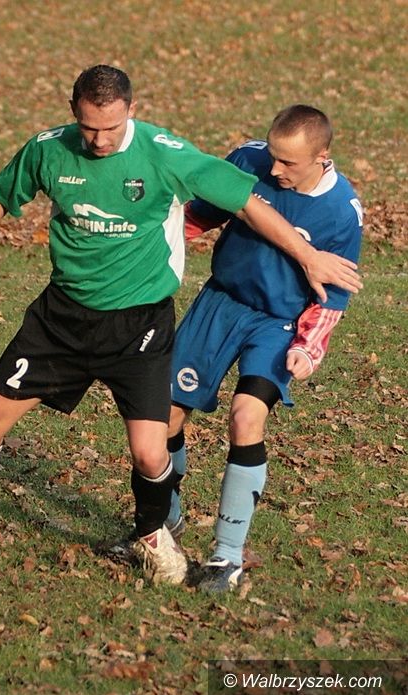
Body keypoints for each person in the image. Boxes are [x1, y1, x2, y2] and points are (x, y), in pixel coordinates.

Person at [0, 66, 361, 586]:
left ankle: (161, 537)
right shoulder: (48, 149)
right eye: (88, 127)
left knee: (154, 452)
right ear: (74, 112)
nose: (99, 140)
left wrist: (308, 262)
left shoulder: (165, 153)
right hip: (61, 319)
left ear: (132, 109)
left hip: (140, 326)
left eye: (110, 127)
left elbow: (247, 204)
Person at [166, 104, 363, 592]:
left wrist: (309, 347)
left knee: (246, 417)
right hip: (219, 303)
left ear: (322, 157)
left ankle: (226, 556)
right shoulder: (248, 159)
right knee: (165, 415)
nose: (274, 170)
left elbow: (334, 295)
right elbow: (198, 217)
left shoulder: (342, 212)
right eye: (272, 156)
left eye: (288, 162)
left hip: (278, 323)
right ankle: (164, 521)